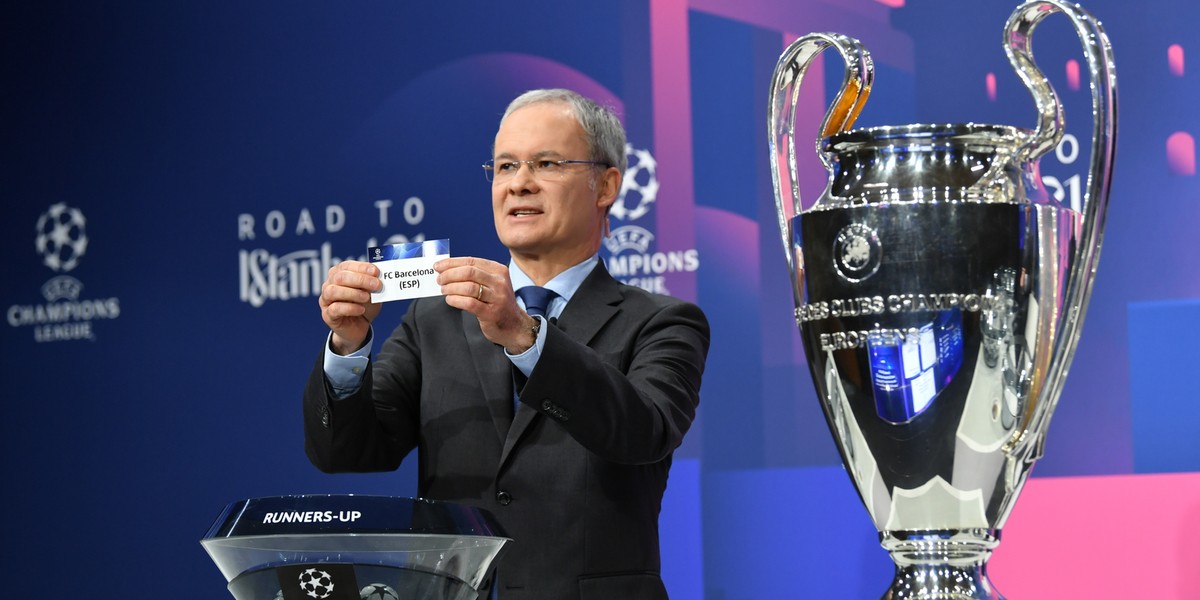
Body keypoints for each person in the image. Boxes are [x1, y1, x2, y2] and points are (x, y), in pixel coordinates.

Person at [305, 88, 709, 600]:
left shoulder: (662, 322)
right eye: (505, 166)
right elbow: (349, 450)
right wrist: (348, 345)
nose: (519, 183)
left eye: (546, 163)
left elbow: (642, 433)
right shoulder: (434, 318)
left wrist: (526, 336)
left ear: (606, 185)